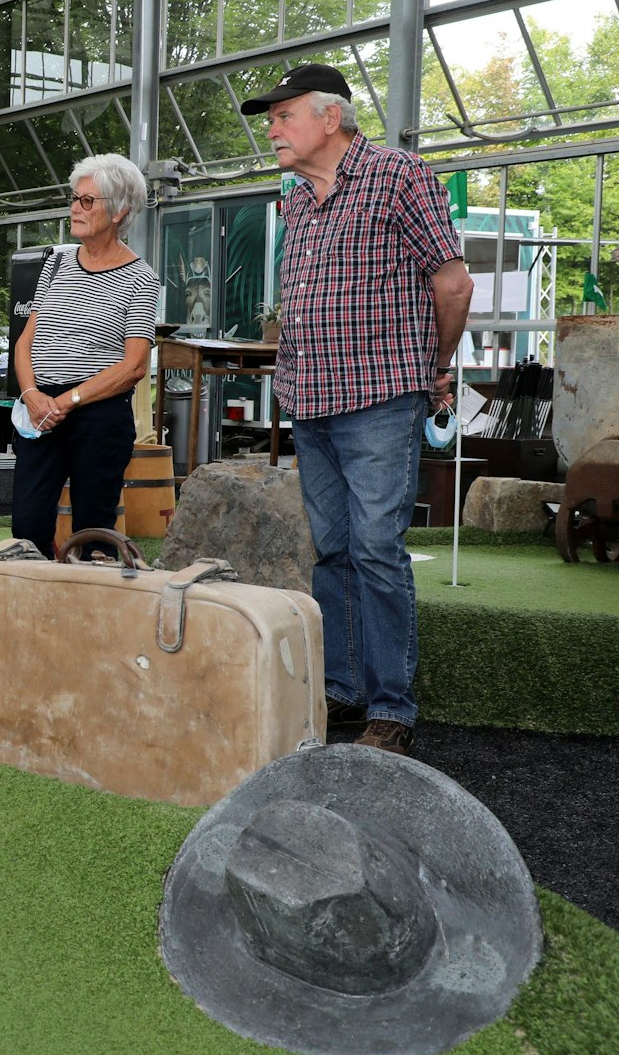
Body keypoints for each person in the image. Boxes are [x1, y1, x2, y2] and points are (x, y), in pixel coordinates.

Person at [238, 64, 472, 758]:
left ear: (329, 118)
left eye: (283, 116)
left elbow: (453, 282)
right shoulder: (298, 199)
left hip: (379, 397)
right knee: (333, 549)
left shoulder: (400, 176)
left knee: (374, 547)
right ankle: (341, 688)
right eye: (271, 119)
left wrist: (435, 368)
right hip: (311, 402)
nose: (273, 129)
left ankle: (392, 704)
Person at [9, 154, 158, 559]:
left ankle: (88, 612)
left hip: (99, 415)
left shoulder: (141, 277)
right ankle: (37, 605)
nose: (75, 207)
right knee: (26, 524)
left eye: (88, 201)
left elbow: (134, 366)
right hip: (41, 410)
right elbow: (25, 343)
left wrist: (68, 401)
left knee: (93, 531)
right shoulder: (56, 263)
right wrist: (30, 394)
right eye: (75, 198)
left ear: (120, 210)